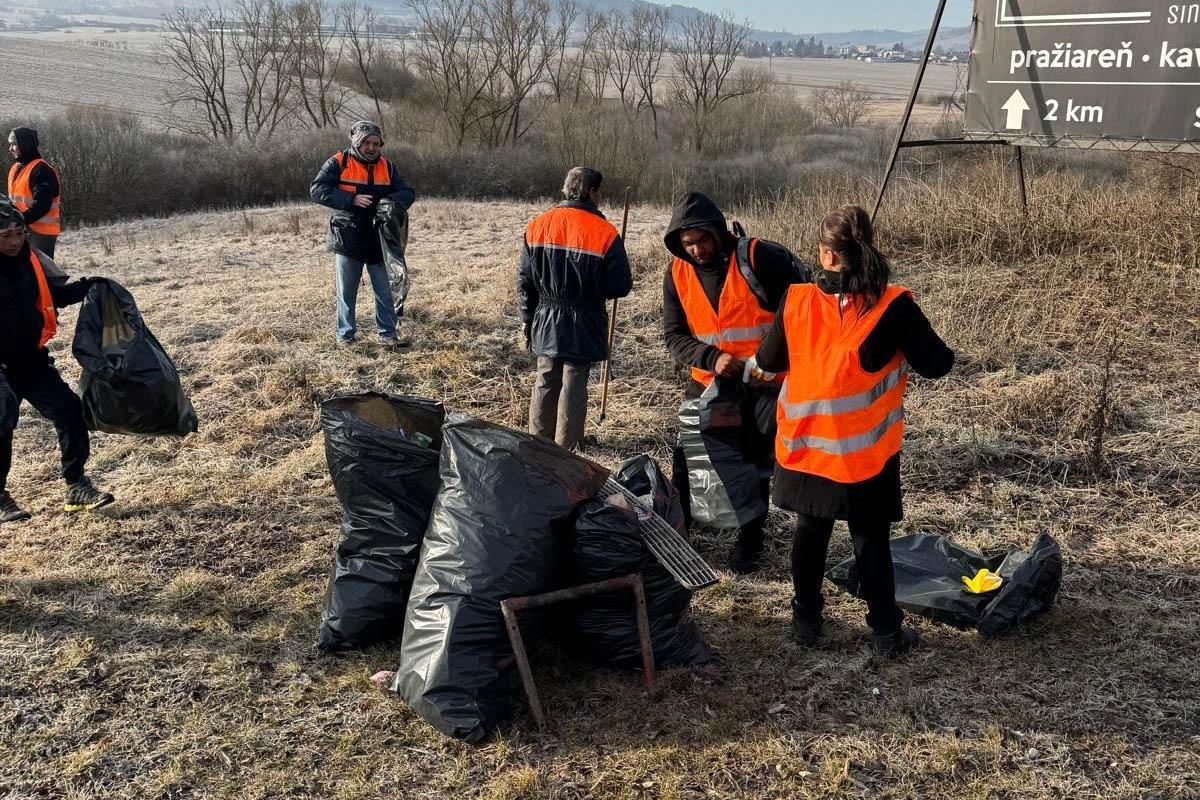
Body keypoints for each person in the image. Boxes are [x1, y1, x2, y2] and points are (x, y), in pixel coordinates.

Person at [756, 205, 954, 658]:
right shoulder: (894, 305)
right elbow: (937, 365)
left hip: (805, 445)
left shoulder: (797, 299)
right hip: (865, 452)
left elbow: (768, 361)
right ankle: (886, 633)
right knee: (870, 539)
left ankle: (805, 621)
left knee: (810, 530)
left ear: (825, 255)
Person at [662, 191, 809, 573]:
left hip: (763, 383)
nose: (696, 250)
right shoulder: (676, 273)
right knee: (687, 461)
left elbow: (802, 313)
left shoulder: (761, 258)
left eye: (703, 240)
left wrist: (769, 362)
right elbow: (674, 335)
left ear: (718, 231)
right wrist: (711, 357)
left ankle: (751, 539)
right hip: (709, 382)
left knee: (752, 462)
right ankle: (680, 538)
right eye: (688, 244)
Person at [0, 198, 113, 523]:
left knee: (68, 409)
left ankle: (77, 485)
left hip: (30, 359)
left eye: (19, 233)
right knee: (2, 422)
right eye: (5, 235)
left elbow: (53, 296)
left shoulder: (30, 259)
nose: (14, 241)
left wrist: (89, 287)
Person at [519, 167, 632, 452]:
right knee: (574, 381)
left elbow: (525, 281)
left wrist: (527, 321)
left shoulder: (537, 225)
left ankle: (538, 443)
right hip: (585, 316)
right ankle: (567, 449)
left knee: (546, 377)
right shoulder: (605, 232)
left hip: (545, 314)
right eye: (599, 192)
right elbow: (620, 285)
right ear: (592, 192)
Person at [311, 120, 416, 348]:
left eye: (376, 144)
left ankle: (388, 335)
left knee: (385, 290)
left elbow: (408, 192)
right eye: (367, 142)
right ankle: (345, 336)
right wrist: (351, 200)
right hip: (347, 237)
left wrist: (392, 201)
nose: (372, 148)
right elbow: (317, 190)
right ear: (357, 142)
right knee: (346, 292)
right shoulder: (338, 162)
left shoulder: (388, 167)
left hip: (379, 238)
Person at [7, 127, 61, 258]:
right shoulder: (16, 168)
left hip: (41, 233)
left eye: (14, 144)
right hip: (21, 230)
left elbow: (42, 205)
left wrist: (18, 220)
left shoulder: (42, 170)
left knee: (41, 274)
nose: (10, 149)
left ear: (25, 145)